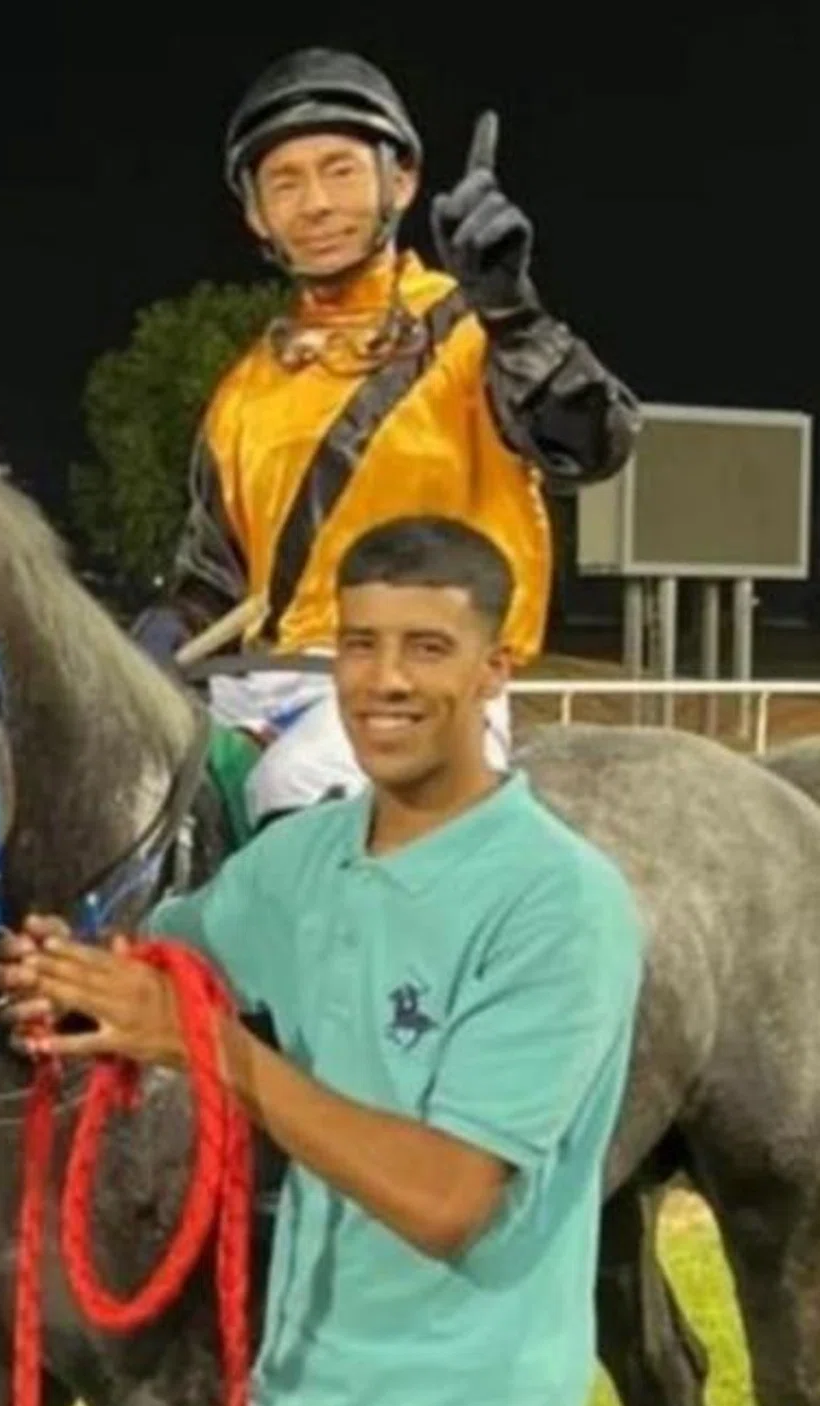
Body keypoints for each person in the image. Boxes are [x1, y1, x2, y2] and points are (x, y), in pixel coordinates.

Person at [0, 516, 644, 1406]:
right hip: (296, 1404)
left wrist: (203, 1047)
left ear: (495, 671)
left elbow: (448, 1200)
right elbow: (159, 968)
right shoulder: (300, 859)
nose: (386, 681)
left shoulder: (562, 904)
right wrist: (71, 976)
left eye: (428, 649)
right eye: (360, 646)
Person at [135, 47, 640, 828]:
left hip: (425, 681)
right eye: (285, 182)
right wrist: (143, 646)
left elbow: (595, 442)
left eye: (339, 170)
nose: (315, 203)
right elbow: (211, 582)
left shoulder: (470, 332)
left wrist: (514, 313)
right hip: (262, 685)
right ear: (256, 217)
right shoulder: (242, 391)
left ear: (398, 182)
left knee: (295, 792)